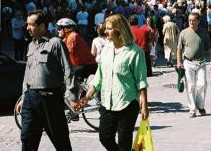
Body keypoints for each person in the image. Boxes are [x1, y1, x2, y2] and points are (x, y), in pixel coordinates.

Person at [79, 14, 149, 151]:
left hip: (127, 103)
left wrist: (144, 105)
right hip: (107, 103)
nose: (105, 31)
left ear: (119, 30)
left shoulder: (135, 52)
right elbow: (98, 78)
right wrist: (86, 98)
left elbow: (141, 81)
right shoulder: (106, 50)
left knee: (124, 143)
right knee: (104, 137)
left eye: (109, 29)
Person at [16, 10, 79, 151]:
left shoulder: (55, 43)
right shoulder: (31, 45)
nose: (27, 28)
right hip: (31, 100)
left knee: (60, 140)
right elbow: (28, 73)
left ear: (42, 26)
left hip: (50, 100)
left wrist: (72, 96)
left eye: (31, 25)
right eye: (28, 24)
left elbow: (69, 70)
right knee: (27, 139)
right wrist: (23, 97)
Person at [177, 12, 211, 118]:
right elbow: (179, 49)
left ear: (198, 21)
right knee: (191, 86)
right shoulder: (183, 33)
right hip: (188, 63)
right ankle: (192, 109)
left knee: (202, 84)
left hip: (201, 62)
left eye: (194, 20)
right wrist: (179, 62)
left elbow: (209, 47)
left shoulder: (203, 32)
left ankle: (200, 106)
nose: (191, 22)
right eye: (190, 20)